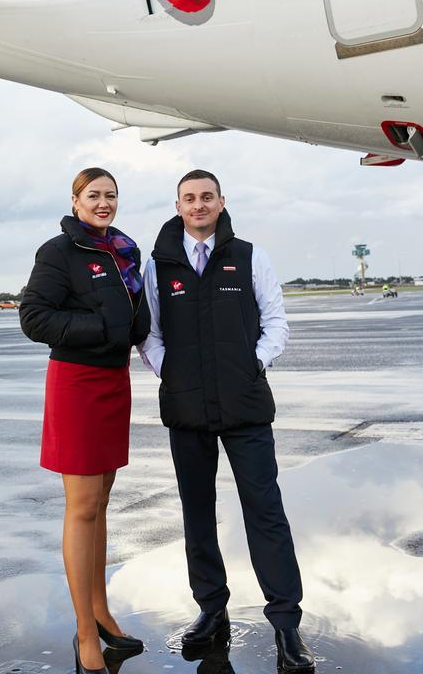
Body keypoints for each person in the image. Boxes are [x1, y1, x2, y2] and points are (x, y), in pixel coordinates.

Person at [138, 170, 315, 672]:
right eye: (190, 198)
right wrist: (169, 371)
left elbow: (276, 319)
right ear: (178, 205)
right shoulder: (159, 265)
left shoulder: (250, 255)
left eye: (207, 197)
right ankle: (211, 611)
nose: (199, 205)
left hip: (246, 406)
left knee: (266, 513)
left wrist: (254, 363)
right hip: (187, 409)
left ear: (221, 202)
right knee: (198, 514)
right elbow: (149, 332)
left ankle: (286, 626)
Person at [20, 168, 150, 674]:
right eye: (93, 196)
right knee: (81, 507)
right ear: (75, 201)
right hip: (76, 384)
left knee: (101, 504)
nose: (103, 203)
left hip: (114, 383)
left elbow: (136, 312)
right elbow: (34, 318)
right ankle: (83, 634)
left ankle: (101, 613)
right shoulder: (59, 252)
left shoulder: (121, 251)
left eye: (110, 196)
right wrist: (103, 327)